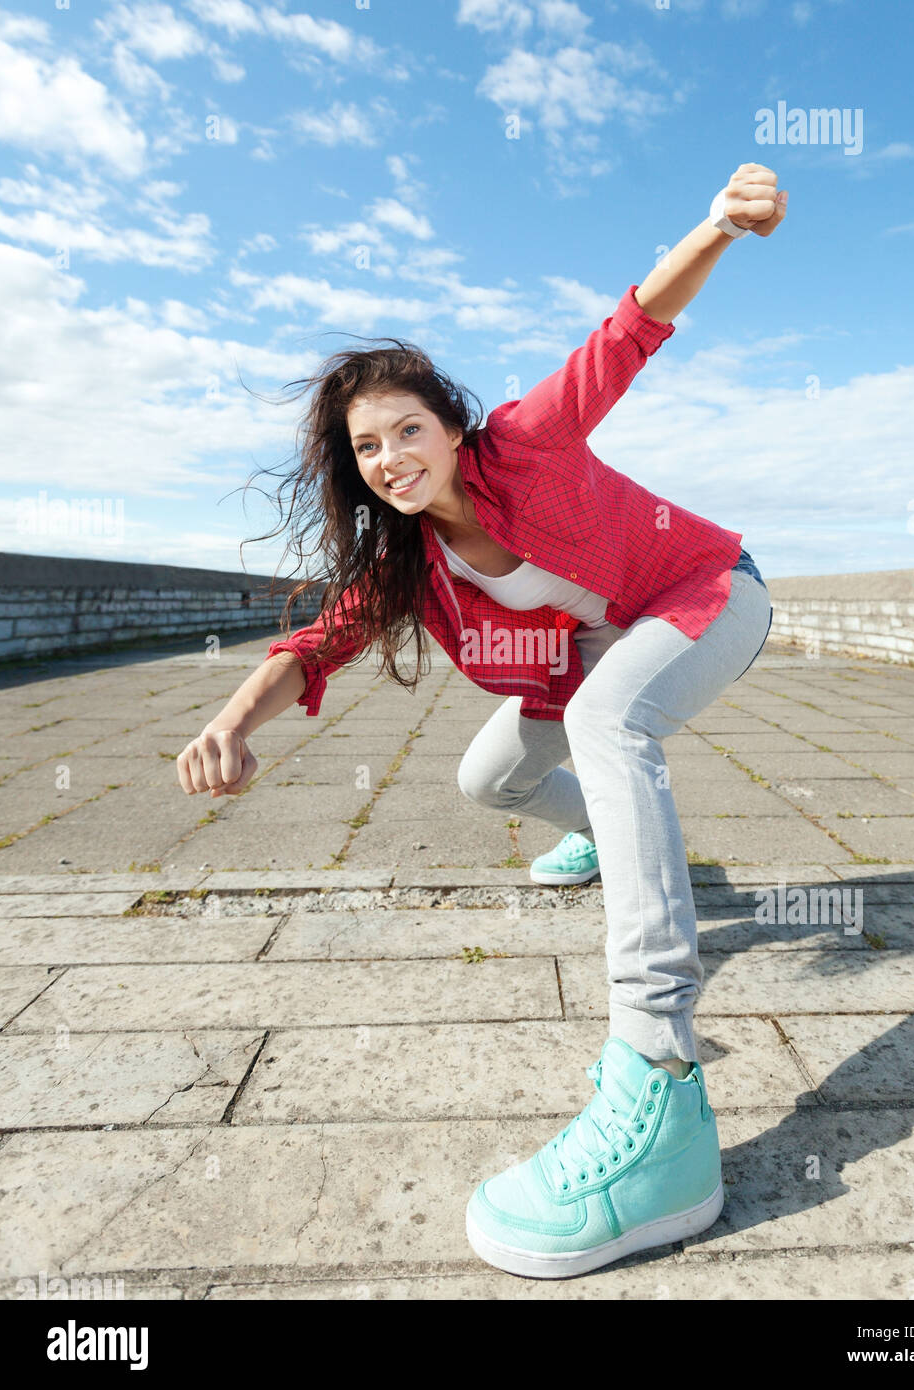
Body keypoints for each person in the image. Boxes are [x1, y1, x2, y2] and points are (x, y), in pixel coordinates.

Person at [178, 164, 787, 1280]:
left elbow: (631, 325)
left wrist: (717, 226)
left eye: (405, 430)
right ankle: (623, 836)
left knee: (612, 721)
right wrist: (234, 719)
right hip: (588, 658)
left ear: (450, 427)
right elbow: (313, 644)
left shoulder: (526, 442)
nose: (391, 458)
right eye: (368, 450)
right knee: (487, 776)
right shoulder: (407, 564)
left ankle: (657, 1076)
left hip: (706, 590)